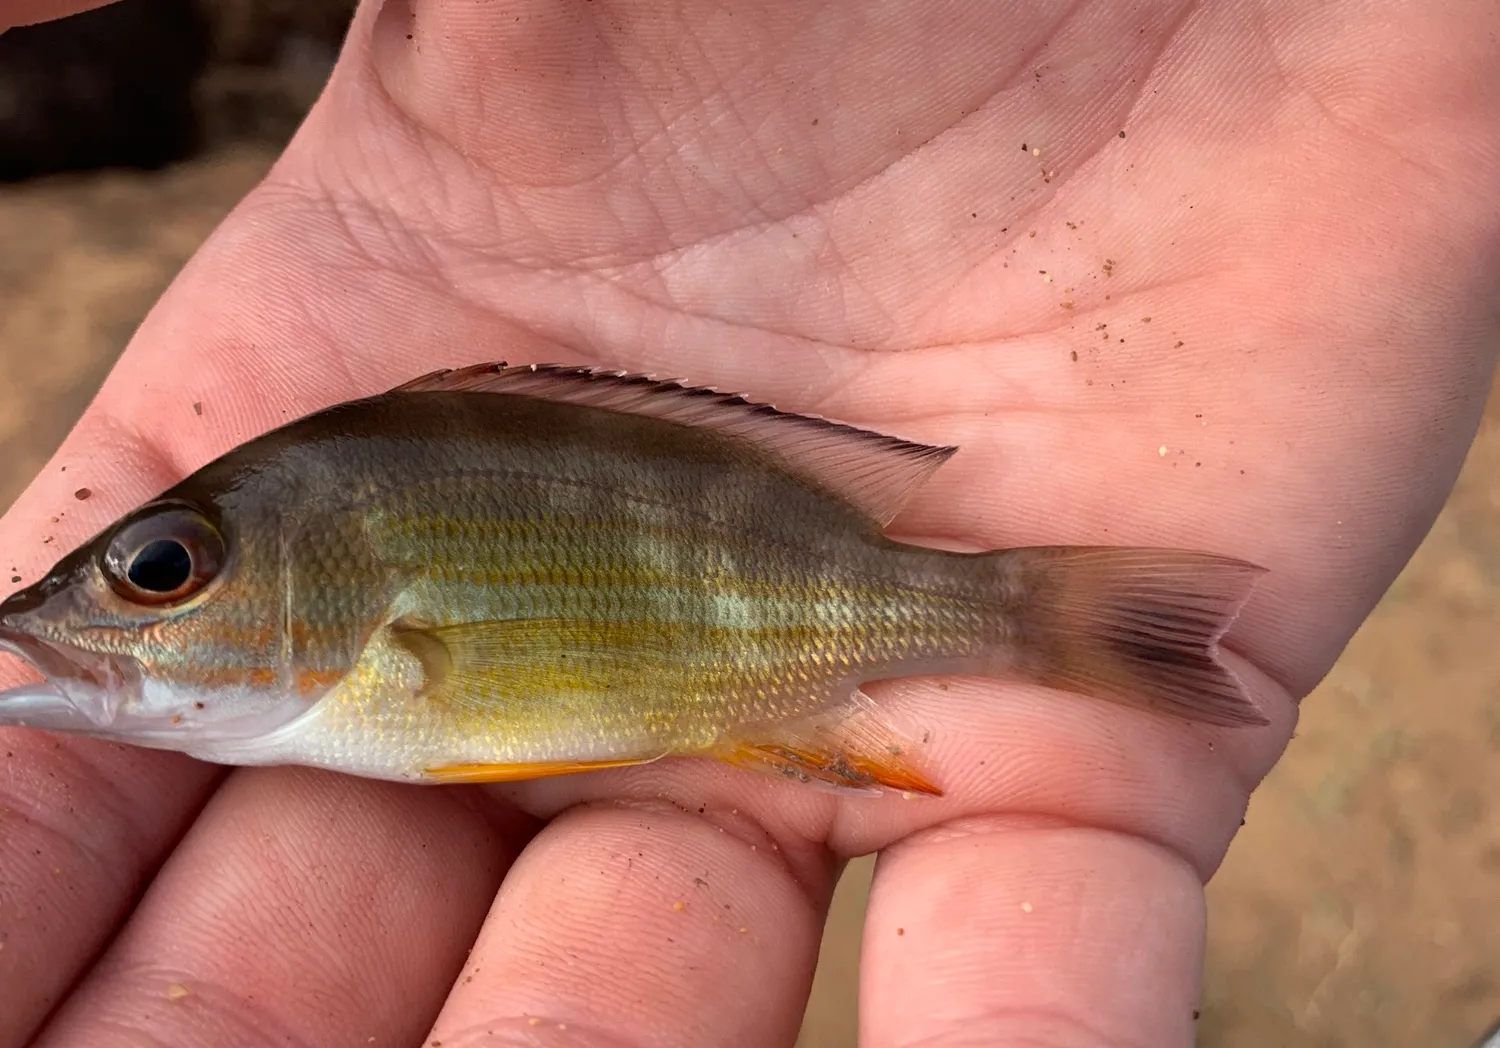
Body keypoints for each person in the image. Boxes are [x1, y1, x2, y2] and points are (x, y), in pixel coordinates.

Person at [1, 1, 1495, 1045]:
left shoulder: (365, 601)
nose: (108, 610)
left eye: (159, 571)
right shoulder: (341, 615)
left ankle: (1046, 619)